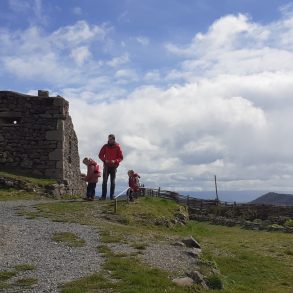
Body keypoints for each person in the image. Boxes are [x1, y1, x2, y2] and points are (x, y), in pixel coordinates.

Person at [98, 134, 123, 200]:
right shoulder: (105, 146)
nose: (109, 140)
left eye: (111, 139)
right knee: (104, 181)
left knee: (112, 182)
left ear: (114, 139)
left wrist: (115, 161)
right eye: (109, 139)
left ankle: (112, 196)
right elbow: (100, 155)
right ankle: (103, 196)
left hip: (114, 166)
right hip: (106, 166)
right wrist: (104, 160)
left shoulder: (118, 146)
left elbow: (121, 157)